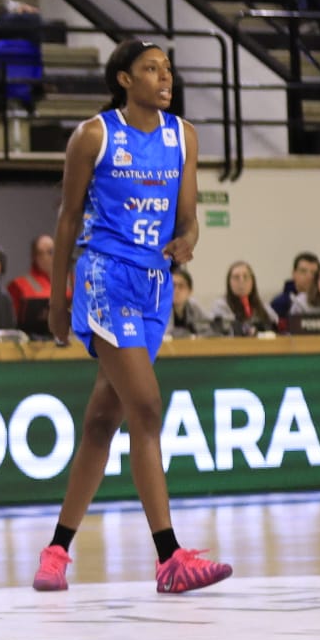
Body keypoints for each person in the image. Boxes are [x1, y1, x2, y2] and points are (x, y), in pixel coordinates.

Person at [34, 40, 232, 595]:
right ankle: (170, 557)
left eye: (167, 68)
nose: (164, 76)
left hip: (154, 285)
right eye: (151, 69)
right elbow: (68, 219)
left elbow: (188, 219)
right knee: (147, 407)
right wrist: (56, 300)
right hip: (105, 277)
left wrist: (187, 242)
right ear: (124, 79)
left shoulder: (182, 135)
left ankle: (56, 551)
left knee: (102, 421)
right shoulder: (94, 136)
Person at [8, 233, 55, 322]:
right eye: (40, 253)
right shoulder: (18, 284)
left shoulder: (73, 282)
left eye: (50, 252)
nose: (45, 257)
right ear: (34, 256)